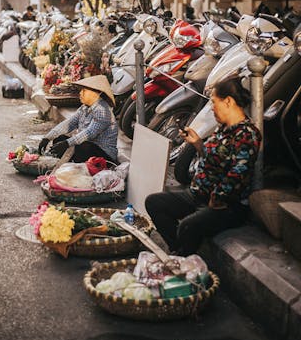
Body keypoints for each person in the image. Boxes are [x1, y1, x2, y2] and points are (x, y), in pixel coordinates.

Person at [145, 78, 262, 256]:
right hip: (198, 194)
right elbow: (213, 160)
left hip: (225, 206)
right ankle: (180, 252)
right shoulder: (222, 128)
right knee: (154, 202)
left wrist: (217, 198)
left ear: (228, 101)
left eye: (214, 102)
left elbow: (239, 172)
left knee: (187, 226)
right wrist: (198, 144)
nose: (212, 108)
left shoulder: (247, 134)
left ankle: (183, 256)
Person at [38, 75, 118, 163]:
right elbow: (69, 123)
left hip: (104, 156)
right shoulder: (84, 108)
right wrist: (47, 138)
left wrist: (67, 143)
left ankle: (73, 165)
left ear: (96, 93)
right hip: (87, 148)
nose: (80, 93)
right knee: (59, 139)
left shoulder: (102, 110)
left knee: (83, 146)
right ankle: (68, 165)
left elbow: (89, 133)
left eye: (84, 91)